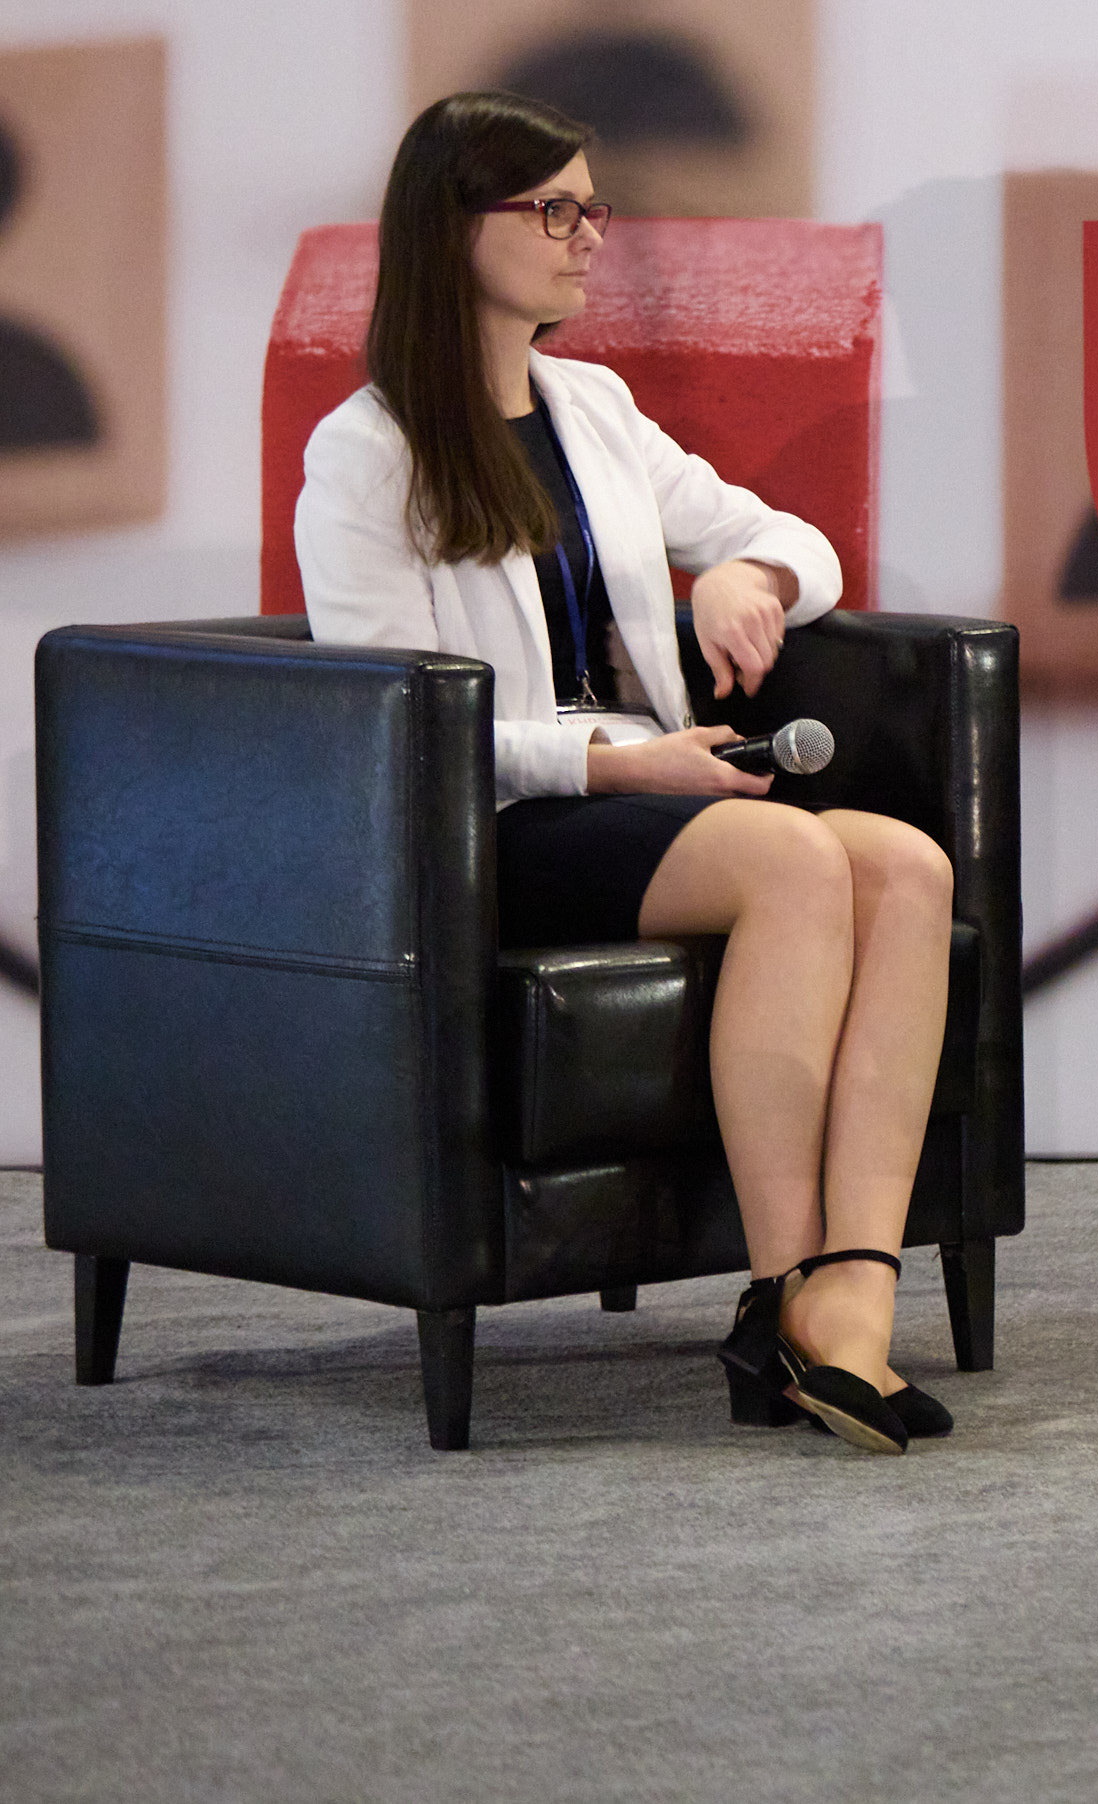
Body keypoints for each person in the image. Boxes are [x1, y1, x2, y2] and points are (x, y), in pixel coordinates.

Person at [296, 91, 958, 1455]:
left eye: (592, 206)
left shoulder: (591, 406)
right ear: (453, 227)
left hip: (649, 785)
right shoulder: (367, 452)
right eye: (555, 209)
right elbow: (397, 717)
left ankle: (857, 1294)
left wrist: (750, 575)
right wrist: (614, 762)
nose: (590, 234)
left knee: (907, 867)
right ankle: (779, 1293)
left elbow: (795, 539)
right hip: (501, 820)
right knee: (794, 857)